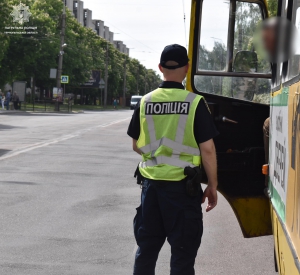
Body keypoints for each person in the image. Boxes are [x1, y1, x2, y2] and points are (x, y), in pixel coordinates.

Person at [127, 44, 219, 275]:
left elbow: (136, 144)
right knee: (182, 255)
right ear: (187, 68)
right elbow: (207, 149)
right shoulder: (194, 103)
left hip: (151, 190)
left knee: (146, 251)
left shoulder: (145, 101)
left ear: (160, 68)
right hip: (182, 190)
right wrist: (213, 186)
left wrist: (159, 157)